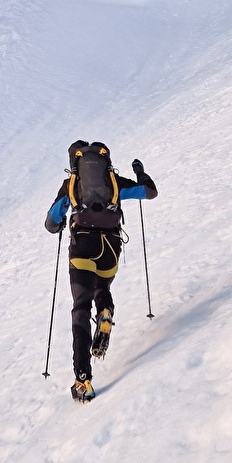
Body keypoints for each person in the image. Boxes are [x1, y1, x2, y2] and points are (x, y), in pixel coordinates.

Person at [45, 140, 157, 402]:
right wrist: (140, 172)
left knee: (80, 307)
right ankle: (105, 311)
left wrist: (64, 217)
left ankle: (83, 379)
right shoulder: (114, 182)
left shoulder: (71, 186)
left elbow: (51, 223)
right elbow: (149, 192)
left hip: (82, 248)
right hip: (110, 249)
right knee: (102, 287)